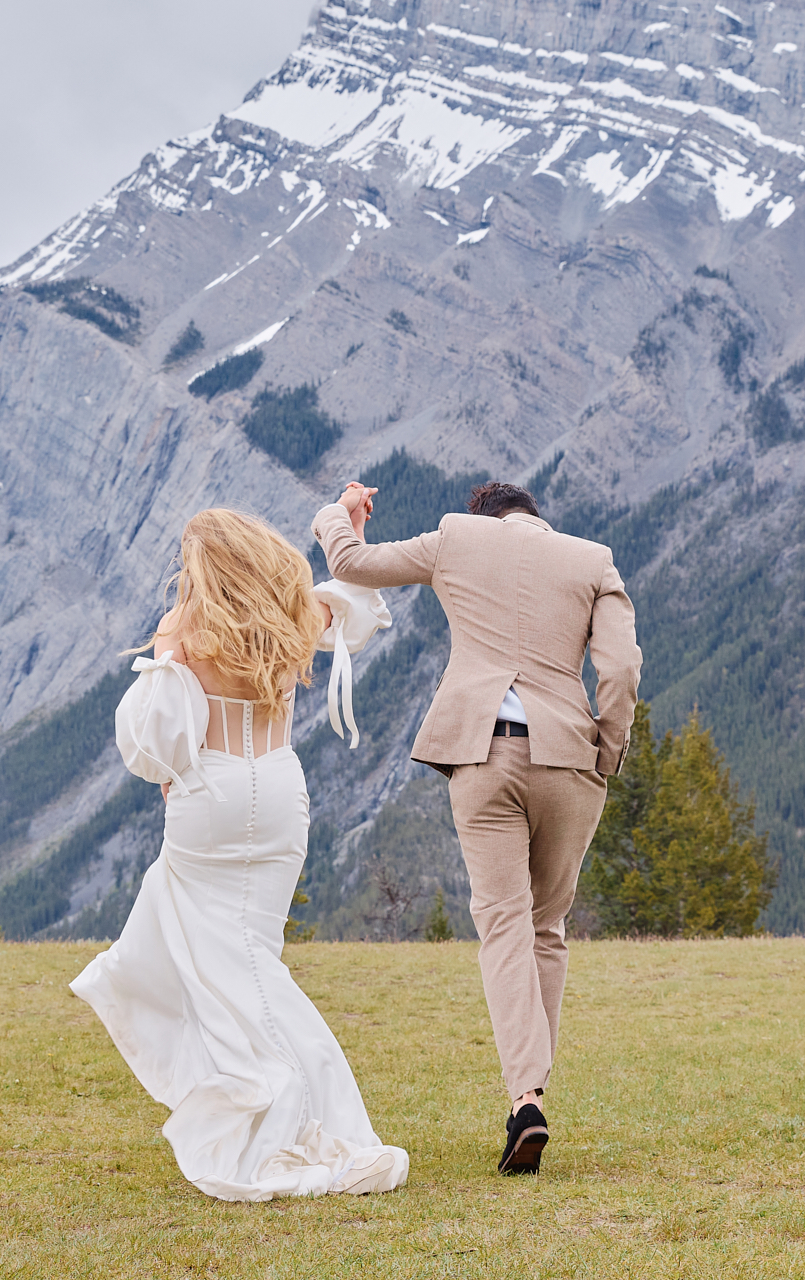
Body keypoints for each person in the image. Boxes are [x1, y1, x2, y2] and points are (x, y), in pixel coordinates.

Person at [70, 507, 408, 1202]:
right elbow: (356, 609)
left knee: (230, 965)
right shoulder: (295, 613)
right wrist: (344, 522)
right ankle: (281, 1102)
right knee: (253, 956)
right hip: (281, 791)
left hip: (211, 795)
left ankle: (291, 1111)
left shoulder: (185, 631)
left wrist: (167, 662)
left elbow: (155, 746)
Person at [312, 478, 640, 1177]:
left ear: (480, 515)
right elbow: (621, 669)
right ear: (535, 516)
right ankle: (530, 1095)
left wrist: (337, 514)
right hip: (568, 758)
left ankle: (525, 1098)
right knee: (547, 927)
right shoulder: (592, 559)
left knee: (502, 922)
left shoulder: (455, 538)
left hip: (483, 750)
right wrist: (605, 753)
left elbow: (351, 567)